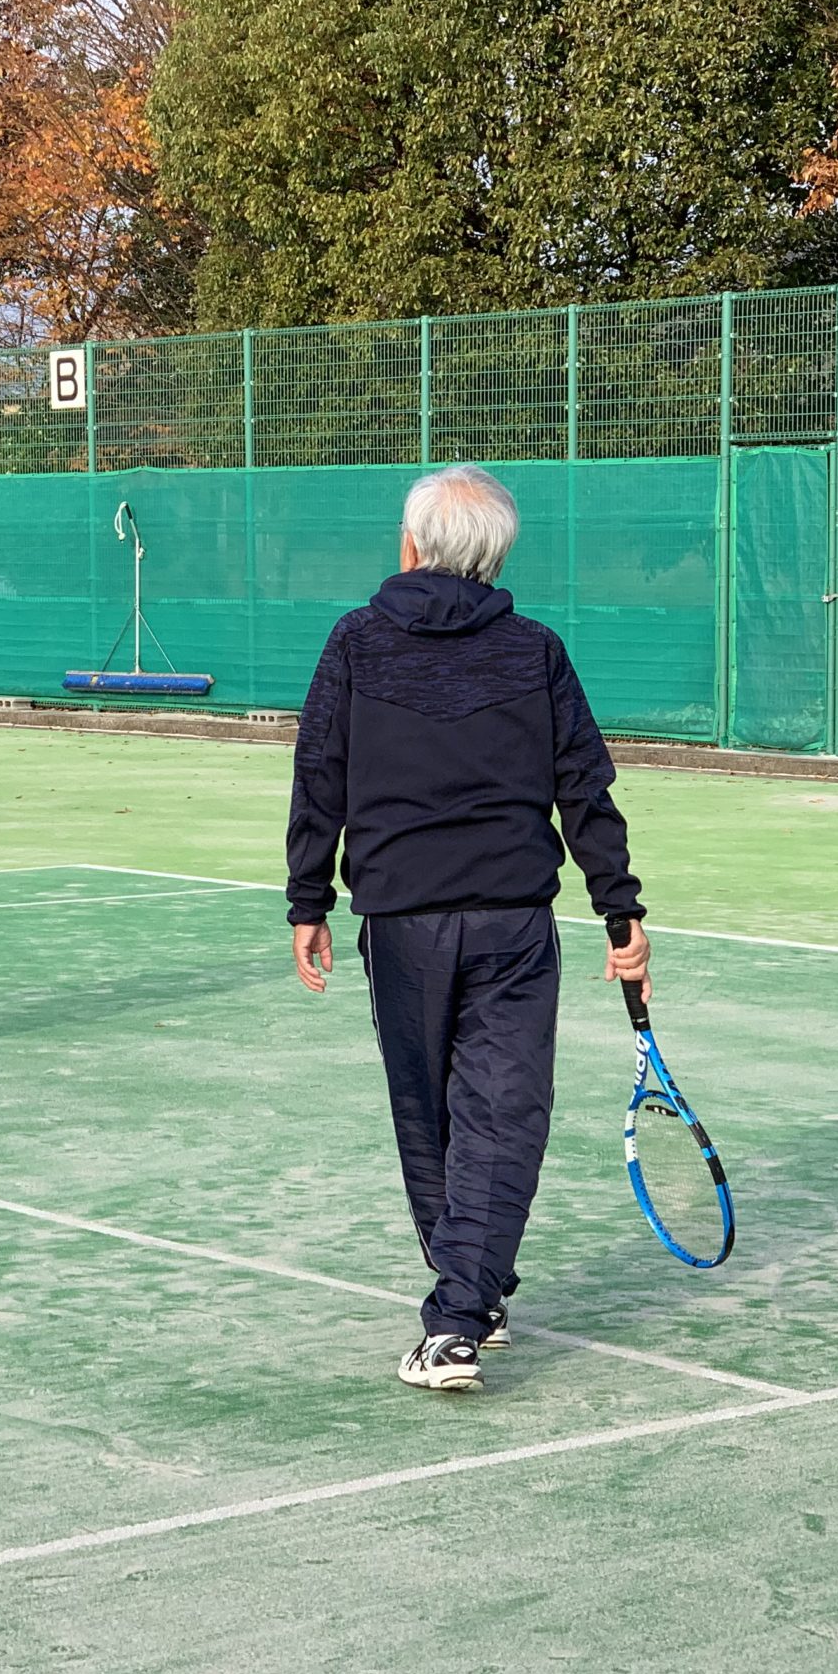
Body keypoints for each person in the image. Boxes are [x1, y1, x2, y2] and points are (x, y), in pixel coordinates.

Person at [285, 465, 650, 1393]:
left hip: (405, 923)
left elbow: (319, 774)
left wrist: (308, 900)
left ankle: (457, 1315)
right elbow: (586, 789)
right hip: (512, 919)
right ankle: (471, 1298)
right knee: (501, 1114)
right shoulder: (533, 649)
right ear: (496, 558)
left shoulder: (356, 641)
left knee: (436, 1116)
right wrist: (620, 910)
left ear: (411, 546)